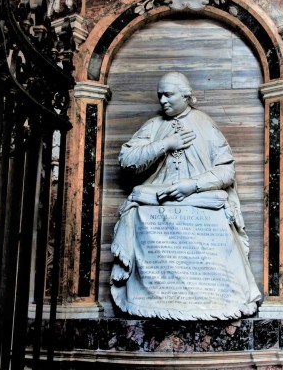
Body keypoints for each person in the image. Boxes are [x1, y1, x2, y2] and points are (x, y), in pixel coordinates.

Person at [110, 72, 261, 320]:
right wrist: (165, 144)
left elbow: (226, 170)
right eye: (159, 95)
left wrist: (192, 185)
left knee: (217, 213)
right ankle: (149, 297)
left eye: (168, 94)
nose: (162, 101)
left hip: (196, 196)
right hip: (158, 197)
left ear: (186, 96)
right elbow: (126, 160)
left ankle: (217, 297)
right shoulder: (154, 126)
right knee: (138, 206)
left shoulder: (204, 124)